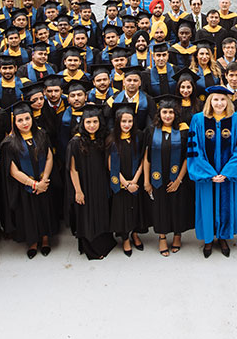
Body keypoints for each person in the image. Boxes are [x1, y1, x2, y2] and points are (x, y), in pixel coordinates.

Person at [188, 86, 237, 257]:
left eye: (222, 99)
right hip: (208, 176)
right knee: (207, 205)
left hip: (226, 176)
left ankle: (224, 237)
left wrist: (227, 172)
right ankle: (208, 240)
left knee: (227, 205)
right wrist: (209, 173)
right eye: (215, 99)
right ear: (209, 101)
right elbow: (194, 150)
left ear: (228, 101)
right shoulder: (198, 120)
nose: (219, 103)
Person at [0, 101, 55, 258]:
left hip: (44, 184)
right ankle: (32, 242)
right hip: (25, 187)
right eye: (20, 120)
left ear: (32, 118)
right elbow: (13, 170)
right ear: (14, 122)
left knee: (45, 211)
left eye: (27, 119)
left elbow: (50, 157)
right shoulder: (9, 143)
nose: (24, 123)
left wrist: (44, 181)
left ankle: (45, 239)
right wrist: (33, 184)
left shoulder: (42, 135)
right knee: (28, 214)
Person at [145, 96, 191, 256]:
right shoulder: (151, 130)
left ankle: (177, 235)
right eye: (164, 112)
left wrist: (179, 179)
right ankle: (162, 236)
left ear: (176, 114)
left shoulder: (184, 130)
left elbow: (188, 157)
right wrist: (146, 181)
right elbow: (147, 157)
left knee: (178, 205)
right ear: (159, 113)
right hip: (157, 177)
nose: (168, 116)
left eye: (171, 112)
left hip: (178, 177)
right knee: (160, 207)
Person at [68, 106, 116, 260]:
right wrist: (78, 191)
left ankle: (105, 244)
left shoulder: (103, 139)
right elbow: (73, 169)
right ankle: (92, 249)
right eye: (88, 122)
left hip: (101, 184)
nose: (92, 125)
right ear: (83, 123)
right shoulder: (75, 142)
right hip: (85, 185)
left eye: (95, 121)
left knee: (102, 213)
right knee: (87, 216)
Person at [108, 105, 149, 256]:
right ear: (118, 122)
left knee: (136, 208)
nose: (127, 124)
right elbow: (110, 165)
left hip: (136, 180)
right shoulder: (112, 139)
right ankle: (125, 237)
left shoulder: (138, 136)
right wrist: (125, 184)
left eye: (130, 121)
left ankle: (135, 233)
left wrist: (135, 180)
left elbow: (142, 160)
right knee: (122, 210)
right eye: (123, 121)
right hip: (120, 183)